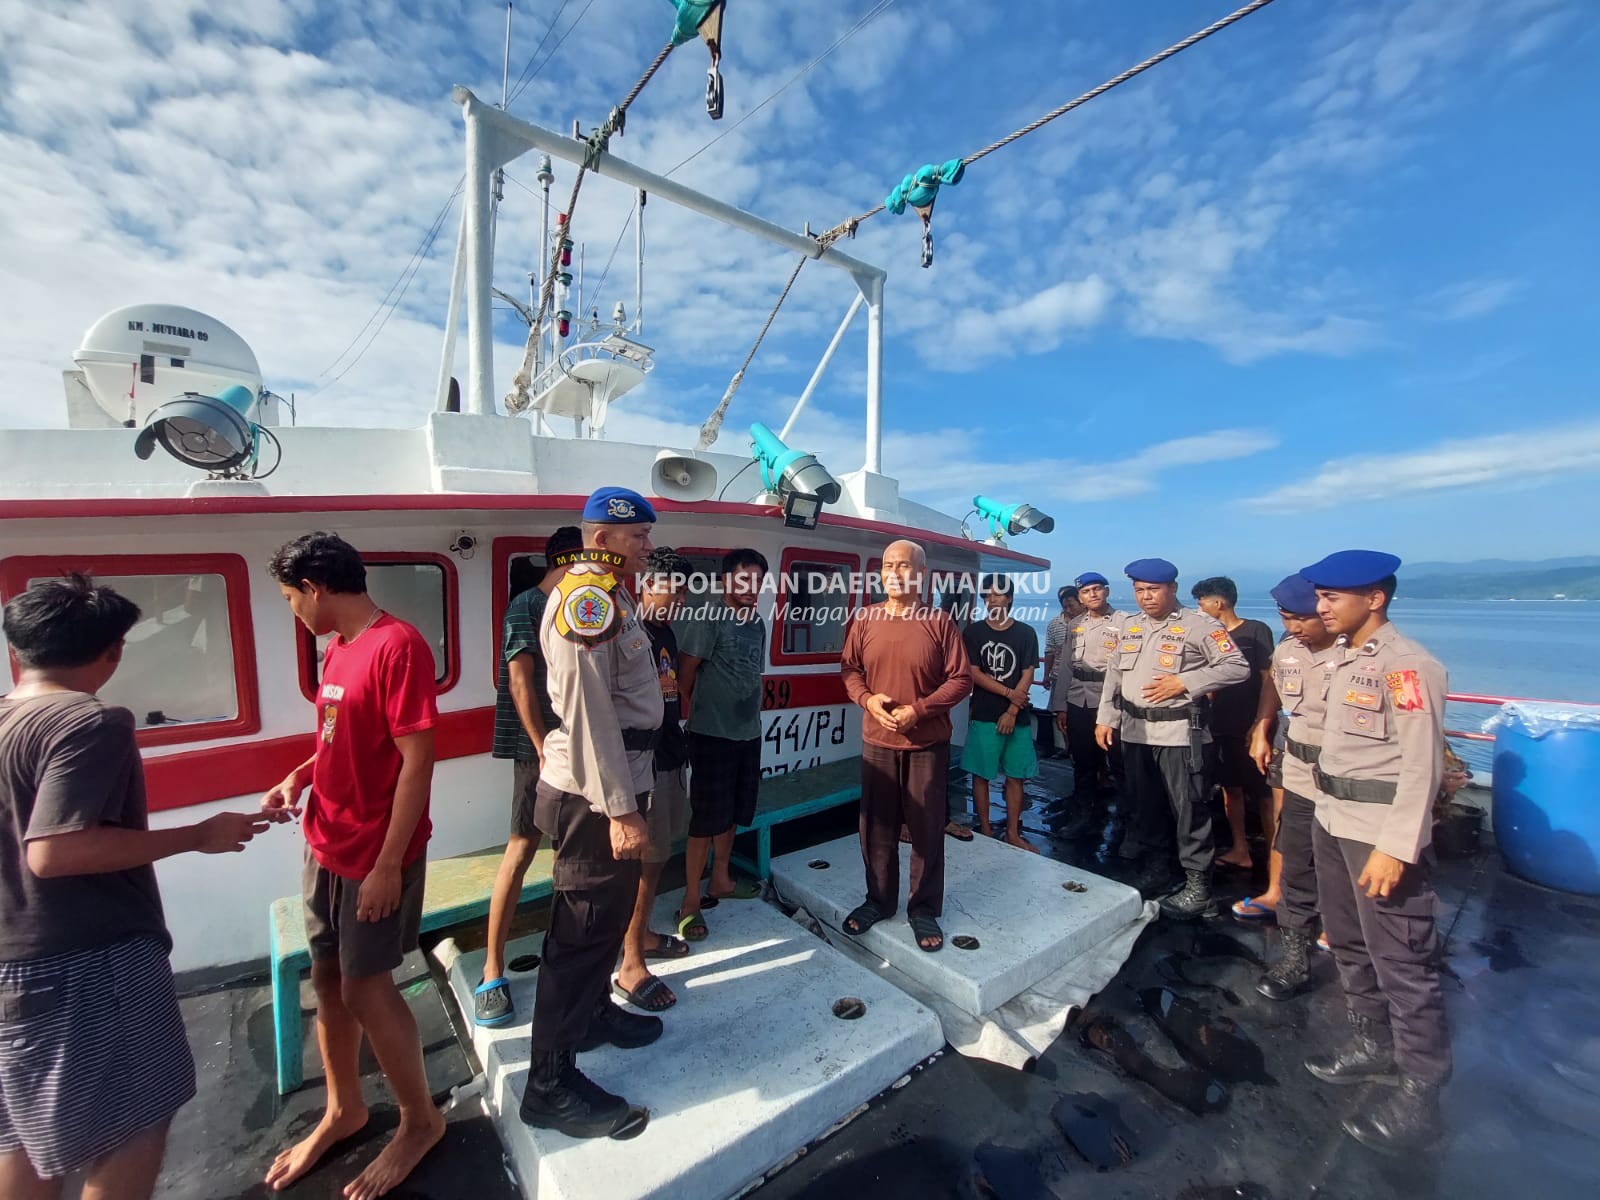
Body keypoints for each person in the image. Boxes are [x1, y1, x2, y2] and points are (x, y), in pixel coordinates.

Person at [0, 576, 269, 1200]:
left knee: (26, 1136)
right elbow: (55, 850)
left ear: (19, 649)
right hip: (86, 964)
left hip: (14, 964)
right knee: (134, 1125)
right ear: (113, 651)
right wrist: (197, 835)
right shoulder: (88, 722)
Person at [261, 532, 446, 1197]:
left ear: (314, 587)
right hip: (325, 843)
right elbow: (339, 738)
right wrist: (300, 776)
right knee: (331, 978)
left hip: (374, 853)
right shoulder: (338, 649)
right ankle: (345, 1109)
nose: (294, 613)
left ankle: (421, 1122)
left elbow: (416, 761)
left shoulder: (398, 645)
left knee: (368, 987)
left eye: (290, 599)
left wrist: (389, 864)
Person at [518, 487, 664, 1140]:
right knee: (579, 935)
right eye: (638, 537)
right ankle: (549, 1084)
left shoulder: (612, 593)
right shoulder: (588, 600)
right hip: (594, 796)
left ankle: (596, 1014)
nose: (649, 546)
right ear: (602, 540)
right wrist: (621, 810)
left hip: (619, 780)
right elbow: (586, 713)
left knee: (605, 918)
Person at [1298, 550, 1450, 1155]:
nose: (1321, 607)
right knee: (1350, 941)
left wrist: (1397, 846)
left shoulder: (1408, 667)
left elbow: (1424, 765)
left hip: (1378, 832)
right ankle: (1371, 1043)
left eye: (1333, 597)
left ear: (1375, 598)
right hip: (1332, 819)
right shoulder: (1337, 661)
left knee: (1403, 962)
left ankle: (1421, 1091)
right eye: (1320, 597)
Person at [1095, 559, 1248, 918]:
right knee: (1145, 804)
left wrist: (1186, 682)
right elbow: (1114, 675)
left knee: (1189, 809)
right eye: (1139, 590)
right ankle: (1158, 868)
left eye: (1153, 589)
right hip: (1136, 731)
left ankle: (1199, 887)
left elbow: (1236, 666)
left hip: (1180, 733)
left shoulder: (1200, 626)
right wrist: (1106, 718)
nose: (1146, 597)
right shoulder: (1131, 626)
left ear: (1173, 589)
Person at [839, 539, 973, 952]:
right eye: (888, 565)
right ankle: (878, 900)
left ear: (921, 574)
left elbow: (961, 679)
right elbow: (850, 670)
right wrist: (867, 699)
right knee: (875, 828)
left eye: (904, 565)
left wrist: (921, 709)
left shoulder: (939, 622)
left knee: (926, 829)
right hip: (878, 741)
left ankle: (923, 908)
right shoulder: (865, 619)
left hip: (927, 744)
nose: (895, 572)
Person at [474, 525, 583, 1028]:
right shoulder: (526, 606)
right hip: (537, 752)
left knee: (574, 854)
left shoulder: (579, 606)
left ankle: (568, 959)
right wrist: (542, 748)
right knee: (519, 851)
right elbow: (519, 678)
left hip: (576, 752)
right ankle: (492, 969)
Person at [1241, 574, 1339, 1000]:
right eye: (1286, 617)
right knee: (1294, 849)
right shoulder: (1287, 651)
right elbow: (1274, 690)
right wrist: (1263, 729)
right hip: (1298, 764)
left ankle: (1339, 927)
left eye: (1302, 618)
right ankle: (1294, 957)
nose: (1295, 627)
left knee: (1340, 856)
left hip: (1349, 774)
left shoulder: (1357, 654)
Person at [672, 548, 769, 942]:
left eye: (758, 581)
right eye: (744, 580)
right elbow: (685, 675)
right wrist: (707, 713)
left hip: (749, 734)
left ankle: (721, 880)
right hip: (712, 735)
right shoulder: (708, 616)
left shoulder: (758, 623)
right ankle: (691, 899)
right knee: (705, 819)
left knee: (733, 813)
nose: (751, 588)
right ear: (726, 580)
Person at [613, 548, 694, 1012]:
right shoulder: (628, 629)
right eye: (672, 588)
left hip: (666, 759)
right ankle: (630, 963)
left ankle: (639, 934)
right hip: (641, 766)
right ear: (647, 585)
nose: (679, 598)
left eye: (683, 590)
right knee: (643, 861)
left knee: (656, 856)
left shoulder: (663, 631)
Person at [1190, 576, 1276, 873]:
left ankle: (1275, 857)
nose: (1199, 608)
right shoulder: (1208, 636)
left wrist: (1260, 723)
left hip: (1250, 724)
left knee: (1264, 794)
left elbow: (1269, 679)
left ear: (1219, 603)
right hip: (1218, 723)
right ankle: (1241, 848)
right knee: (1231, 789)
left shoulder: (1255, 631)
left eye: (1201, 602)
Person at [960, 575, 1039, 850]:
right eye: (986, 596)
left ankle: (1013, 832)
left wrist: (1013, 710)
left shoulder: (1026, 633)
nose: (990, 600)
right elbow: (974, 673)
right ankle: (985, 828)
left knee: (1016, 776)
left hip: (1017, 717)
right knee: (980, 775)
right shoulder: (973, 633)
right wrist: (1009, 695)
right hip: (984, 714)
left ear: (1009, 598)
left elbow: (1028, 672)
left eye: (996, 595)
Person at [1046, 571, 1122, 838]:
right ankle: (1083, 814)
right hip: (1079, 698)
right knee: (1083, 761)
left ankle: (1127, 825)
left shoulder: (1124, 623)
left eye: (1097, 589)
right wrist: (1060, 706)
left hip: (1110, 700)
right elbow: (1065, 666)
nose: (1093, 595)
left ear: (1107, 591)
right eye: (1086, 592)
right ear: (1081, 596)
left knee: (1119, 764)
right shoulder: (1075, 625)